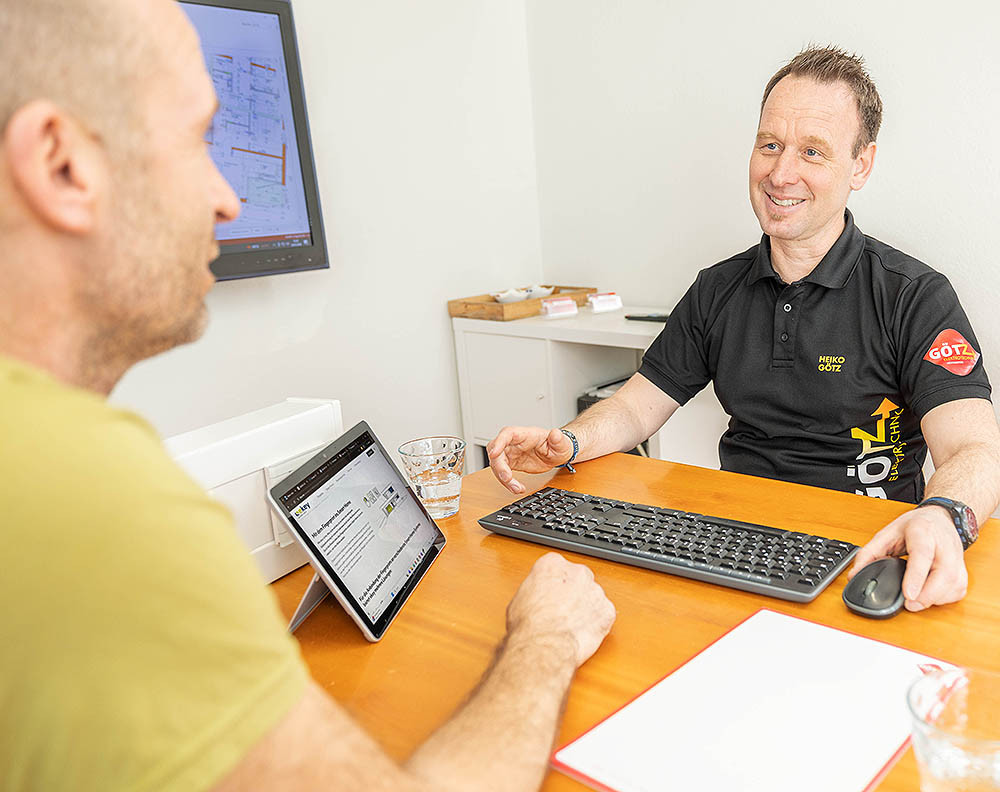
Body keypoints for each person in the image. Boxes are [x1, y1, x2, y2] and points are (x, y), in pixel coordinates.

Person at [0, 1, 615, 790]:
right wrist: (546, 638)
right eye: (196, 140)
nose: (227, 198)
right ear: (59, 164)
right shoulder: (83, 498)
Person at [488, 46, 1000, 615]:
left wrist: (943, 513)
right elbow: (636, 408)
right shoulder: (717, 288)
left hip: (866, 556)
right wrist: (571, 441)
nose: (782, 173)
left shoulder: (914, 296)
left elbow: (977, 447)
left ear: (861, 164)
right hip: (734, 550)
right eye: (770, 145)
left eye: (813, 151)